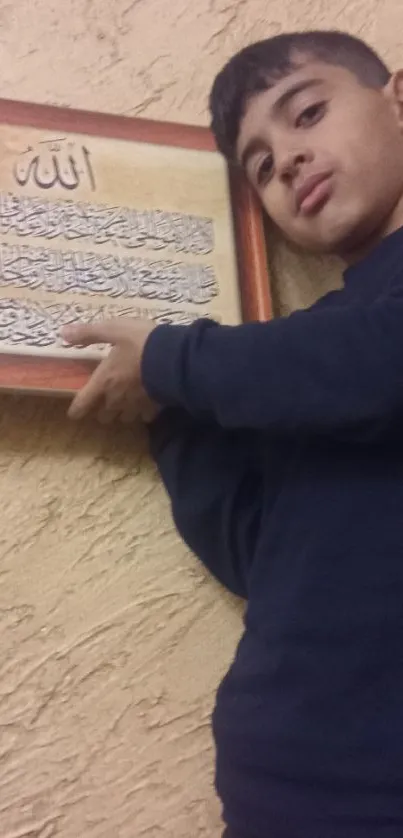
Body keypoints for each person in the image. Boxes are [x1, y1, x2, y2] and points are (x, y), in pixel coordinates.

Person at [62, 30, 403, 838]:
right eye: (257, 165)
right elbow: (260, 551)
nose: (284, 161)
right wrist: (172, 419)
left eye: (307, 112)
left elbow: (377, 363)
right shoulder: (304, 355)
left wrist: (175, 360)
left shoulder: (335, 358)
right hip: (276, 788)